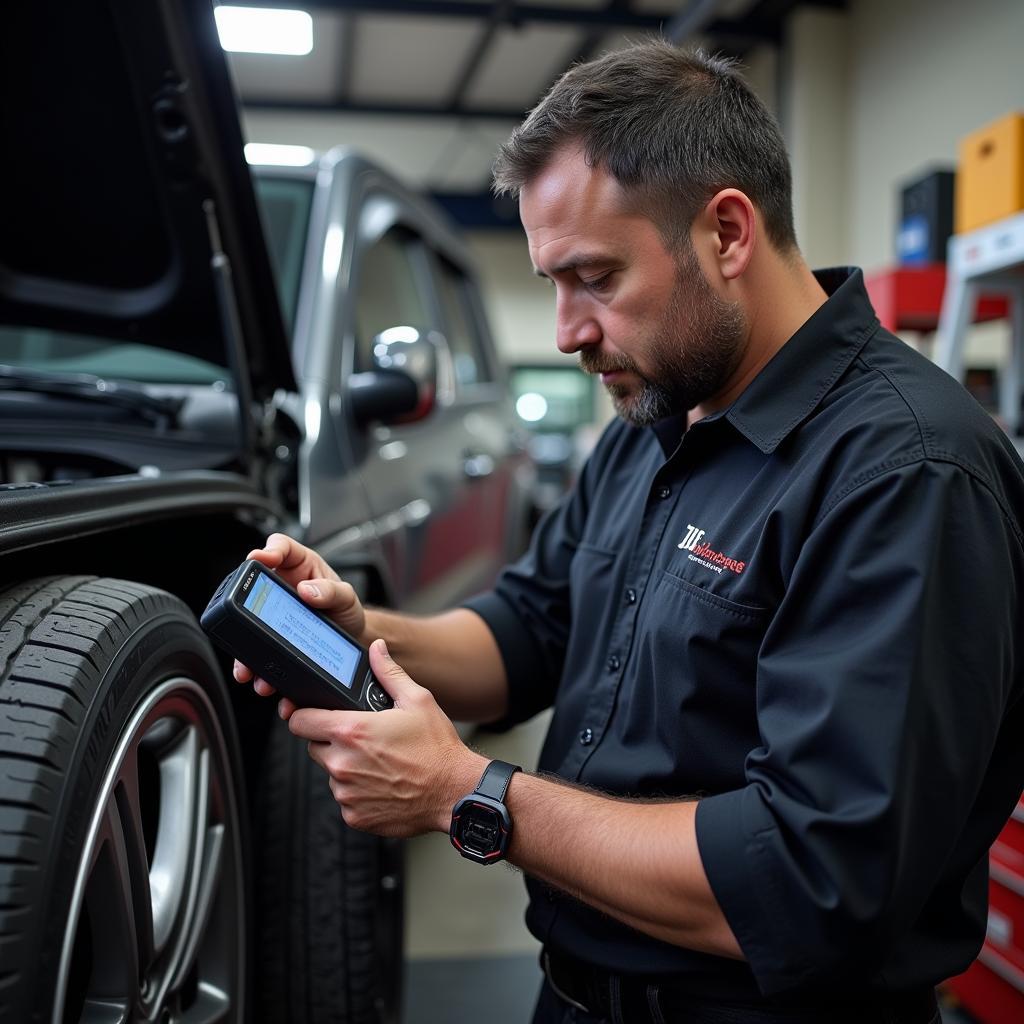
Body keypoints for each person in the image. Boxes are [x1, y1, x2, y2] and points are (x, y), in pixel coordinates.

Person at [235, 41, 1024, 1024]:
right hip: (575, 995)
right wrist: (364, 635)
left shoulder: (904, 473)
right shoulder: (657, 420)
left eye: (593, 276)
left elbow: (810, 875)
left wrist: (463, 794)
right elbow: (529, 630)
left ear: (725, 232)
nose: (564, 331)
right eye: (550, 282)